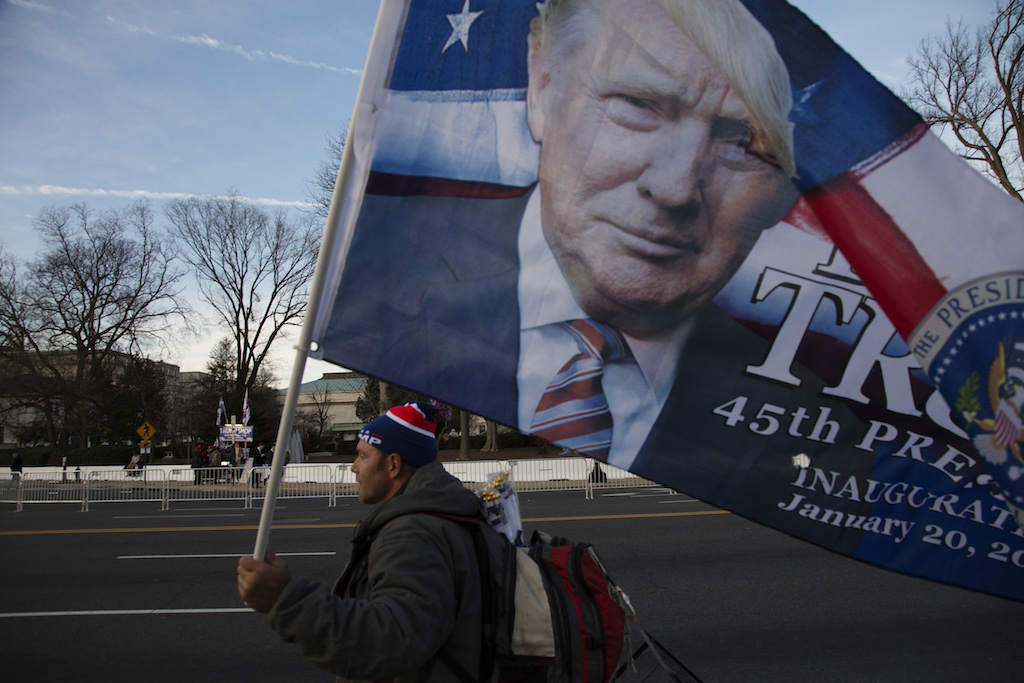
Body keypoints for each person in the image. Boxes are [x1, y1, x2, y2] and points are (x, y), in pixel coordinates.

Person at [322, 0, 799, 470]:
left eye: (740, 142)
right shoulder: (379, 287)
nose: (676, 189)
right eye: (636, 104)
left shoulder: (807, 420)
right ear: (542, 89)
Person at [237, 402, 483, 681]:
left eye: (363, 457)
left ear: (392, 464)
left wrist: (285, 600)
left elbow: (395, 642)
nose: (353, 468)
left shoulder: (413, 533)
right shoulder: (431, 516)